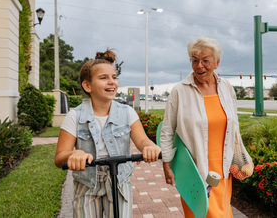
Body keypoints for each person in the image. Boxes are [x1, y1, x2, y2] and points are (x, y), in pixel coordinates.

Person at [55, 50, 161, 218]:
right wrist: (74, 154)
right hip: (87, 183)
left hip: (119, 181)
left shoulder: (127, 113)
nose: (112, 82)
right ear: (87, 86)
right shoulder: (75, 116)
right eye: (104, 78)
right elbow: (60, 157)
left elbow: (143, 141)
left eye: (114, 77)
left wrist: (150, 147)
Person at [160, 38, 253, 217]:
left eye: (205, 60)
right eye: (194, 60)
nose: (199, 66)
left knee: (223, 214)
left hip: (223, 169)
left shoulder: (226, 88)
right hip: (194, 171)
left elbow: (233, 127)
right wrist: (167, 164)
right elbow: (167, 130)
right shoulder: (180, 91)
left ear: (217, 63)